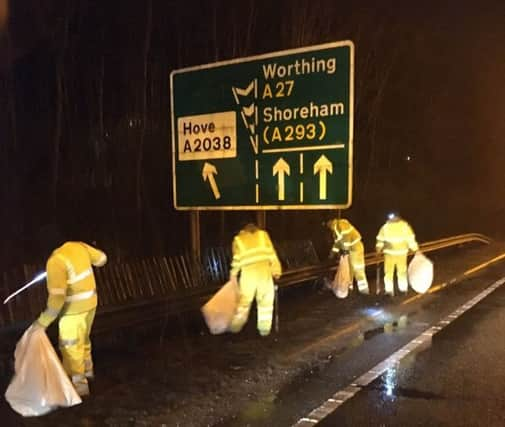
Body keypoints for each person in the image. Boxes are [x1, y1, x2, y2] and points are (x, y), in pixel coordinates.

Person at [33, 240, 107, 397]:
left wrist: (42, 322)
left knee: (70, 347)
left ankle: (79, 388)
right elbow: (102, 259)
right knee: (84, 340)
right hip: (91, 305)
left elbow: (57, 301)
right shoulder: (79, 247)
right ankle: (88, 372)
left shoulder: (55, 261)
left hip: (72, 311)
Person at [229, 223, 282, 336]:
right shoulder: (263, 236)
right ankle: (264, 331)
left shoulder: (238, 239)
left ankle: (235, 327)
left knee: (244, 302)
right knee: (266, 303)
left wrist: (233, 274)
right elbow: (272, 255)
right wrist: (276, 271)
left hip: (248, 276)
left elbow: (237, 259)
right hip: (264, 274)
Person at [375, 212, 419, 296]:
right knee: (401, 272)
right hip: (401, 253)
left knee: (388, 273)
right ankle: (403, 290)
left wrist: (378, 250)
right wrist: (416, 249)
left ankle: (389, 291)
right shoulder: (405, 227)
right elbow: (411, 239)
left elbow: (379, 240)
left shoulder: (385, 227)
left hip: (389, 254)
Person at [326, 217, 369, 294]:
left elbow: (346, 238)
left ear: (330, 221)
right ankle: (348, 288)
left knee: (358, 268)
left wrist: (345, 250)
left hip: (355, 248)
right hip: (350, 249)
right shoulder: (335, 230)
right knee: (349, 269)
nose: (328, 226)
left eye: (327, 224)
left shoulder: (340, 224)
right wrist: (332, 254)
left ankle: (364, 291)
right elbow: (337, 243)